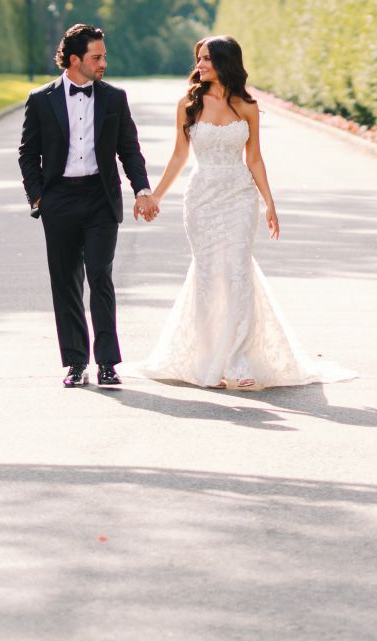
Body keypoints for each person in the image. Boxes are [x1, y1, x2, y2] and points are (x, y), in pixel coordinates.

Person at [137, 35, 351, 392]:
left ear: (225, 63)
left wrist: (269, 202)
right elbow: (179, 156)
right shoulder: (188, 105)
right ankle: (209, 359)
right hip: (202, 198)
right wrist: (155, 195)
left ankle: (239, 360)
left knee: (237, 270)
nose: (200, 65)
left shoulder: (247, 106)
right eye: (199, 59)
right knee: (208, 276)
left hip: (239, 197)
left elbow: (254, 158)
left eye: (206, 59)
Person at [18, 21, 155, 387]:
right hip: (58, 200)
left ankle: (108, 362)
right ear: (74, 59)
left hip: (100, 199)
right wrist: (38, 197)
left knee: (100, 276)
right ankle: (76, 363)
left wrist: (142, 190)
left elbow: (129, 150)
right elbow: (28, 153)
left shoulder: (113, 98)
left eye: (104, 56)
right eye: (97, 57)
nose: (103, 63)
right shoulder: (40, 100)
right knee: (65, 282)